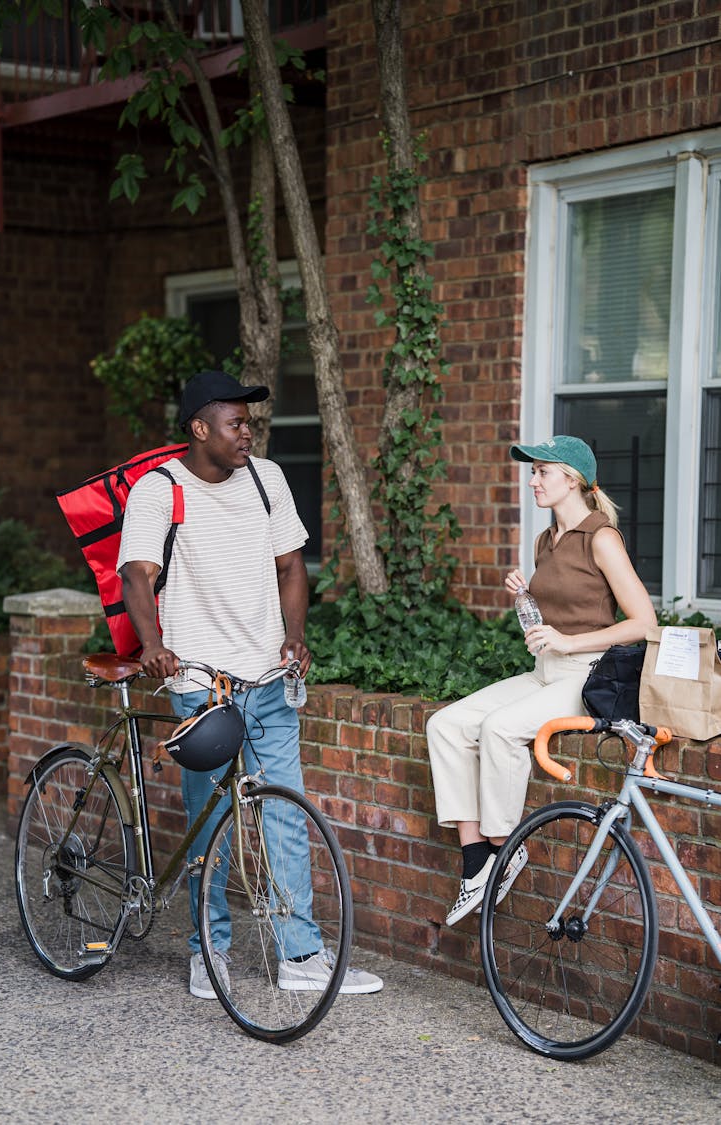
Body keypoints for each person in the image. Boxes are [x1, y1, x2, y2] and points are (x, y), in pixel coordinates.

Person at [117, 368, 383, 997]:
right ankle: (207, 951)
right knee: (211, 825)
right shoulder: (160, 491)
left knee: (285, 816)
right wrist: (153, 645)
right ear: (201, 427)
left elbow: (291, 566)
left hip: (266, 679)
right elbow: (135, 575)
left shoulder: (268, 479)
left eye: (250, 421)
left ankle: (301, 957)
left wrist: (293, 635)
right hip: (201, 685)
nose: (248, 432)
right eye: (236, 422)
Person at [426, 435, 657, 926]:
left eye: (542, 472)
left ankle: (504, 849)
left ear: (571, 480)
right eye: (532, 472)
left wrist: (571, 643)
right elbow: (549, 625)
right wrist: (525, 598)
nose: (532, 481)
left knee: (500, 729)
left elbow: (644, 622)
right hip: (544, 672)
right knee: (445, 725)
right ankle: (478, 864)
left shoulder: (601, 537)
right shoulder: (545, 540)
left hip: (588, 675)